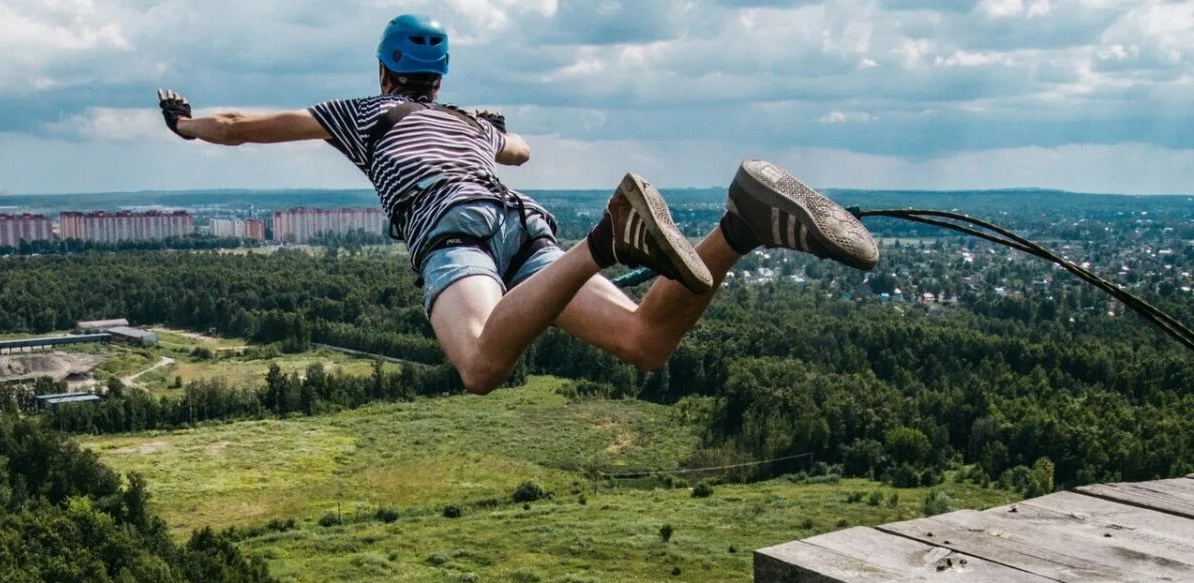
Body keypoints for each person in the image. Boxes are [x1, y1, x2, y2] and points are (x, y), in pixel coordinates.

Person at [158, 14, 878, 395]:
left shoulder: (365, 111)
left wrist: (186, 124)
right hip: (518, 219)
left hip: (451, 229)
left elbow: (238, 128)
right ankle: (740, 225)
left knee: (478, 366)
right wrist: (492, 125)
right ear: (438, 78)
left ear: (384, 70)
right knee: (644, 344)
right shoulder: (472, 122)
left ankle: (606, 239)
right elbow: (522, 151)